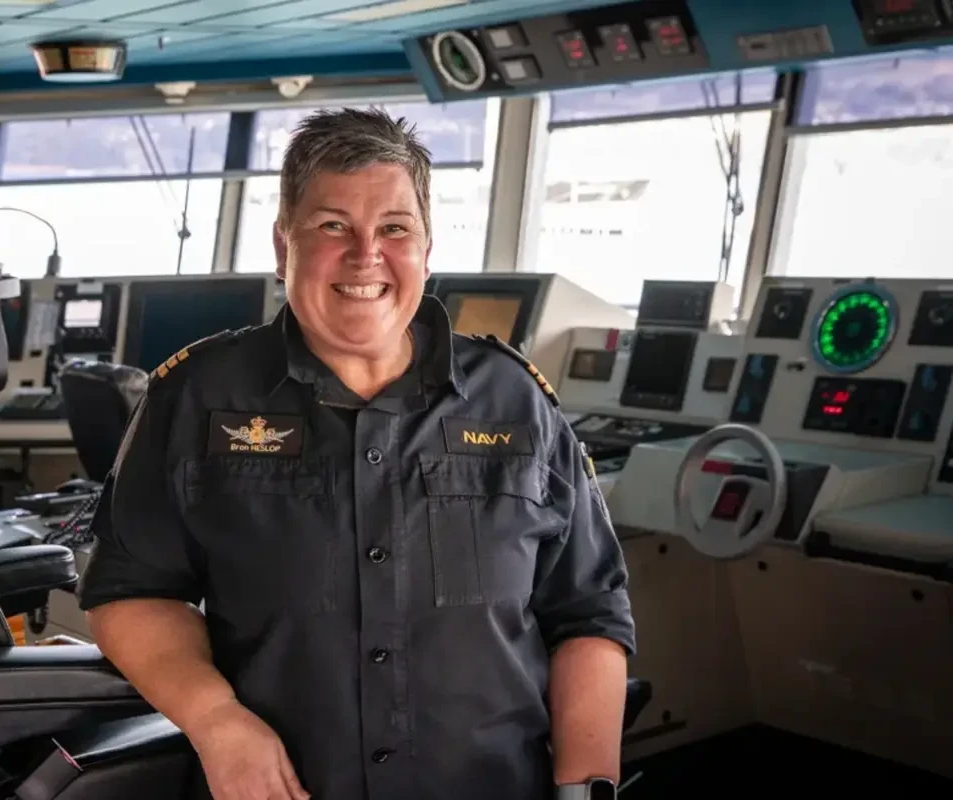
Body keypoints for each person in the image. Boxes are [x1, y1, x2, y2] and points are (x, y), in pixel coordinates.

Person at [79, 107, 635, 800]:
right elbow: (132, 592)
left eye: (394, 229)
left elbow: (588, 611)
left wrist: (584, 790)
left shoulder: (515, 400)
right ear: (283, 244)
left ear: (426, 248)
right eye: (332, 226)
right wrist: (217, 721)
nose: (366, 254)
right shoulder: (196, 396)